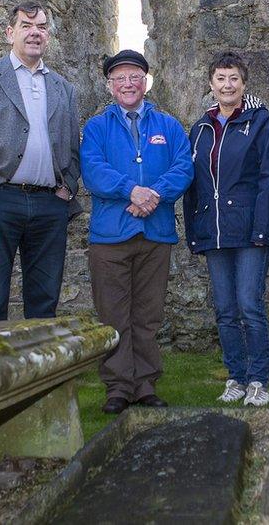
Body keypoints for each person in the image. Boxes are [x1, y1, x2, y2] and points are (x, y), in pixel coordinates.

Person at [0, 1, 82, 321]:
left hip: (50, 204)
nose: (35, 33)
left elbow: (73, 149)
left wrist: (67, 190)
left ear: (48, 35)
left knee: (44, 301)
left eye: (41, 27)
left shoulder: (64, 89)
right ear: (10, 33)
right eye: (26, 26)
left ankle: (41, 369)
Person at [81, 50, 194, 414]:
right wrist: (131, 191)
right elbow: (93, 170)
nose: (128, 84)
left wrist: (155, 195)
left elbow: (183, 167)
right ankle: (117, 387)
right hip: (111, 237)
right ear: (109, 85)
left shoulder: (169, 125)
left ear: (146, 82)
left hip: (155, 233)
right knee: (113, 315)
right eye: (120, 78)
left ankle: (145, 384)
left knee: (147, 315)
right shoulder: (97, 128)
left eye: (135, 77)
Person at [184, 51, 269, 407]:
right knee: (225, 309)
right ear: (211, 85)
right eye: (221, 79)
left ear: (244, 83)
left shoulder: (260, 121)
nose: (227, 86)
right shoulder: (200, 128)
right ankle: (236, 377)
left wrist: (261, 231)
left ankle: (259, 379)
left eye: (234, 79)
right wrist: (195, 231)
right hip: (214, 232)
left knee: (249, 305)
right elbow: (192, 183)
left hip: (250, 233)